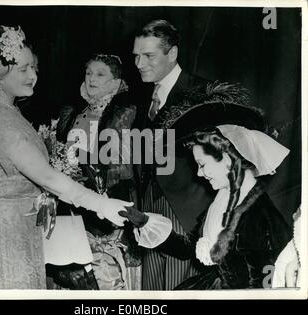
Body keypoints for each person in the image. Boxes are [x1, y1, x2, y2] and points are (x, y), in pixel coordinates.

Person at [0, 26, 131, 290]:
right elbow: (46, 176)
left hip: (8, 222)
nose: (33, 75)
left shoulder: (1, 107)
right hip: (1, 230)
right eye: (23, 70)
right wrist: (102, 205)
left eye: (32, 67)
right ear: (0, 74)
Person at [121, 84, 293, 289]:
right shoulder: (222, 201)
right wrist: (145, 222)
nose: (199, 173)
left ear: (228, 159)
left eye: (202, 165)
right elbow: (189, 247)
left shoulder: (259, 216)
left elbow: (271, 283)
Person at [132, 19, 213, 290]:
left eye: (148, 56)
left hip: (186, 215)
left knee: (181, 291)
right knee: (152, 290)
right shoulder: (145, 96)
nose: (139, 64)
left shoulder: (203, 93)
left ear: (173, 54)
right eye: (136, 56)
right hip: (148, 209)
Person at [53, 54, 141, 290]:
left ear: (116, 82)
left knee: (104, 277)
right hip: (72, 204)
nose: (91, 78)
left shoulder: (124, 113)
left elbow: (121, 167)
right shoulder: (73, 112)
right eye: (88, 73)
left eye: (100, 74)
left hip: (105, 207)